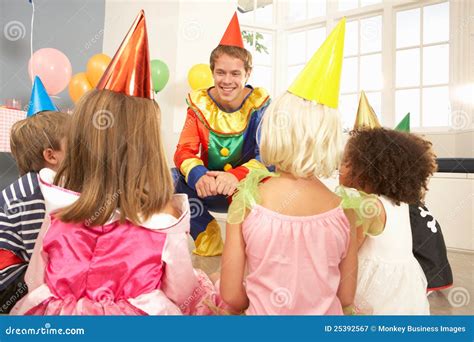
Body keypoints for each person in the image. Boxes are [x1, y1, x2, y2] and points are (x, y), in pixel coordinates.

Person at [11, 11, 220, 316]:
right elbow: (181, 291)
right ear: (146, 147)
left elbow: (36, 279)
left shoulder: (60, 206)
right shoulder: (163, 218)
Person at [219, 19, 360, 315]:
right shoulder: (345, 210)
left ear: (274, 130)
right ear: (329, 138)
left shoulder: (248, 199)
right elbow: (346, 296)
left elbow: (231, 296)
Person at [173, 12, 271, 256]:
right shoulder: (199, 104)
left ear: (247, 74)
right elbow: (184, 150)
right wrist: (199, 176)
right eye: (221, 72)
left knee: (274, 178)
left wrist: (237, 176)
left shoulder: (260, 105)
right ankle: (208, 236)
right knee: (169, 179)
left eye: (235, 74)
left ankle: (251, 250)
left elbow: (267, 157)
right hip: (208, 188)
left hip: (246, 190)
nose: (227, 81)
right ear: (212, 71)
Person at [339, 125, 436, 314]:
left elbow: (347, 254)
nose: (340, 168)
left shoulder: (367, 207)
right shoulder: (399, 203)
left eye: (346, 162)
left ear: (366, 169)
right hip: (404, 290)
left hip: (375, 290)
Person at [0, 76, 68, 313]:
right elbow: (38, 253)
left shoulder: (41, 184)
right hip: (11, 284)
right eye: (74, 145)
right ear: (51, 156)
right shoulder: (34, 192)